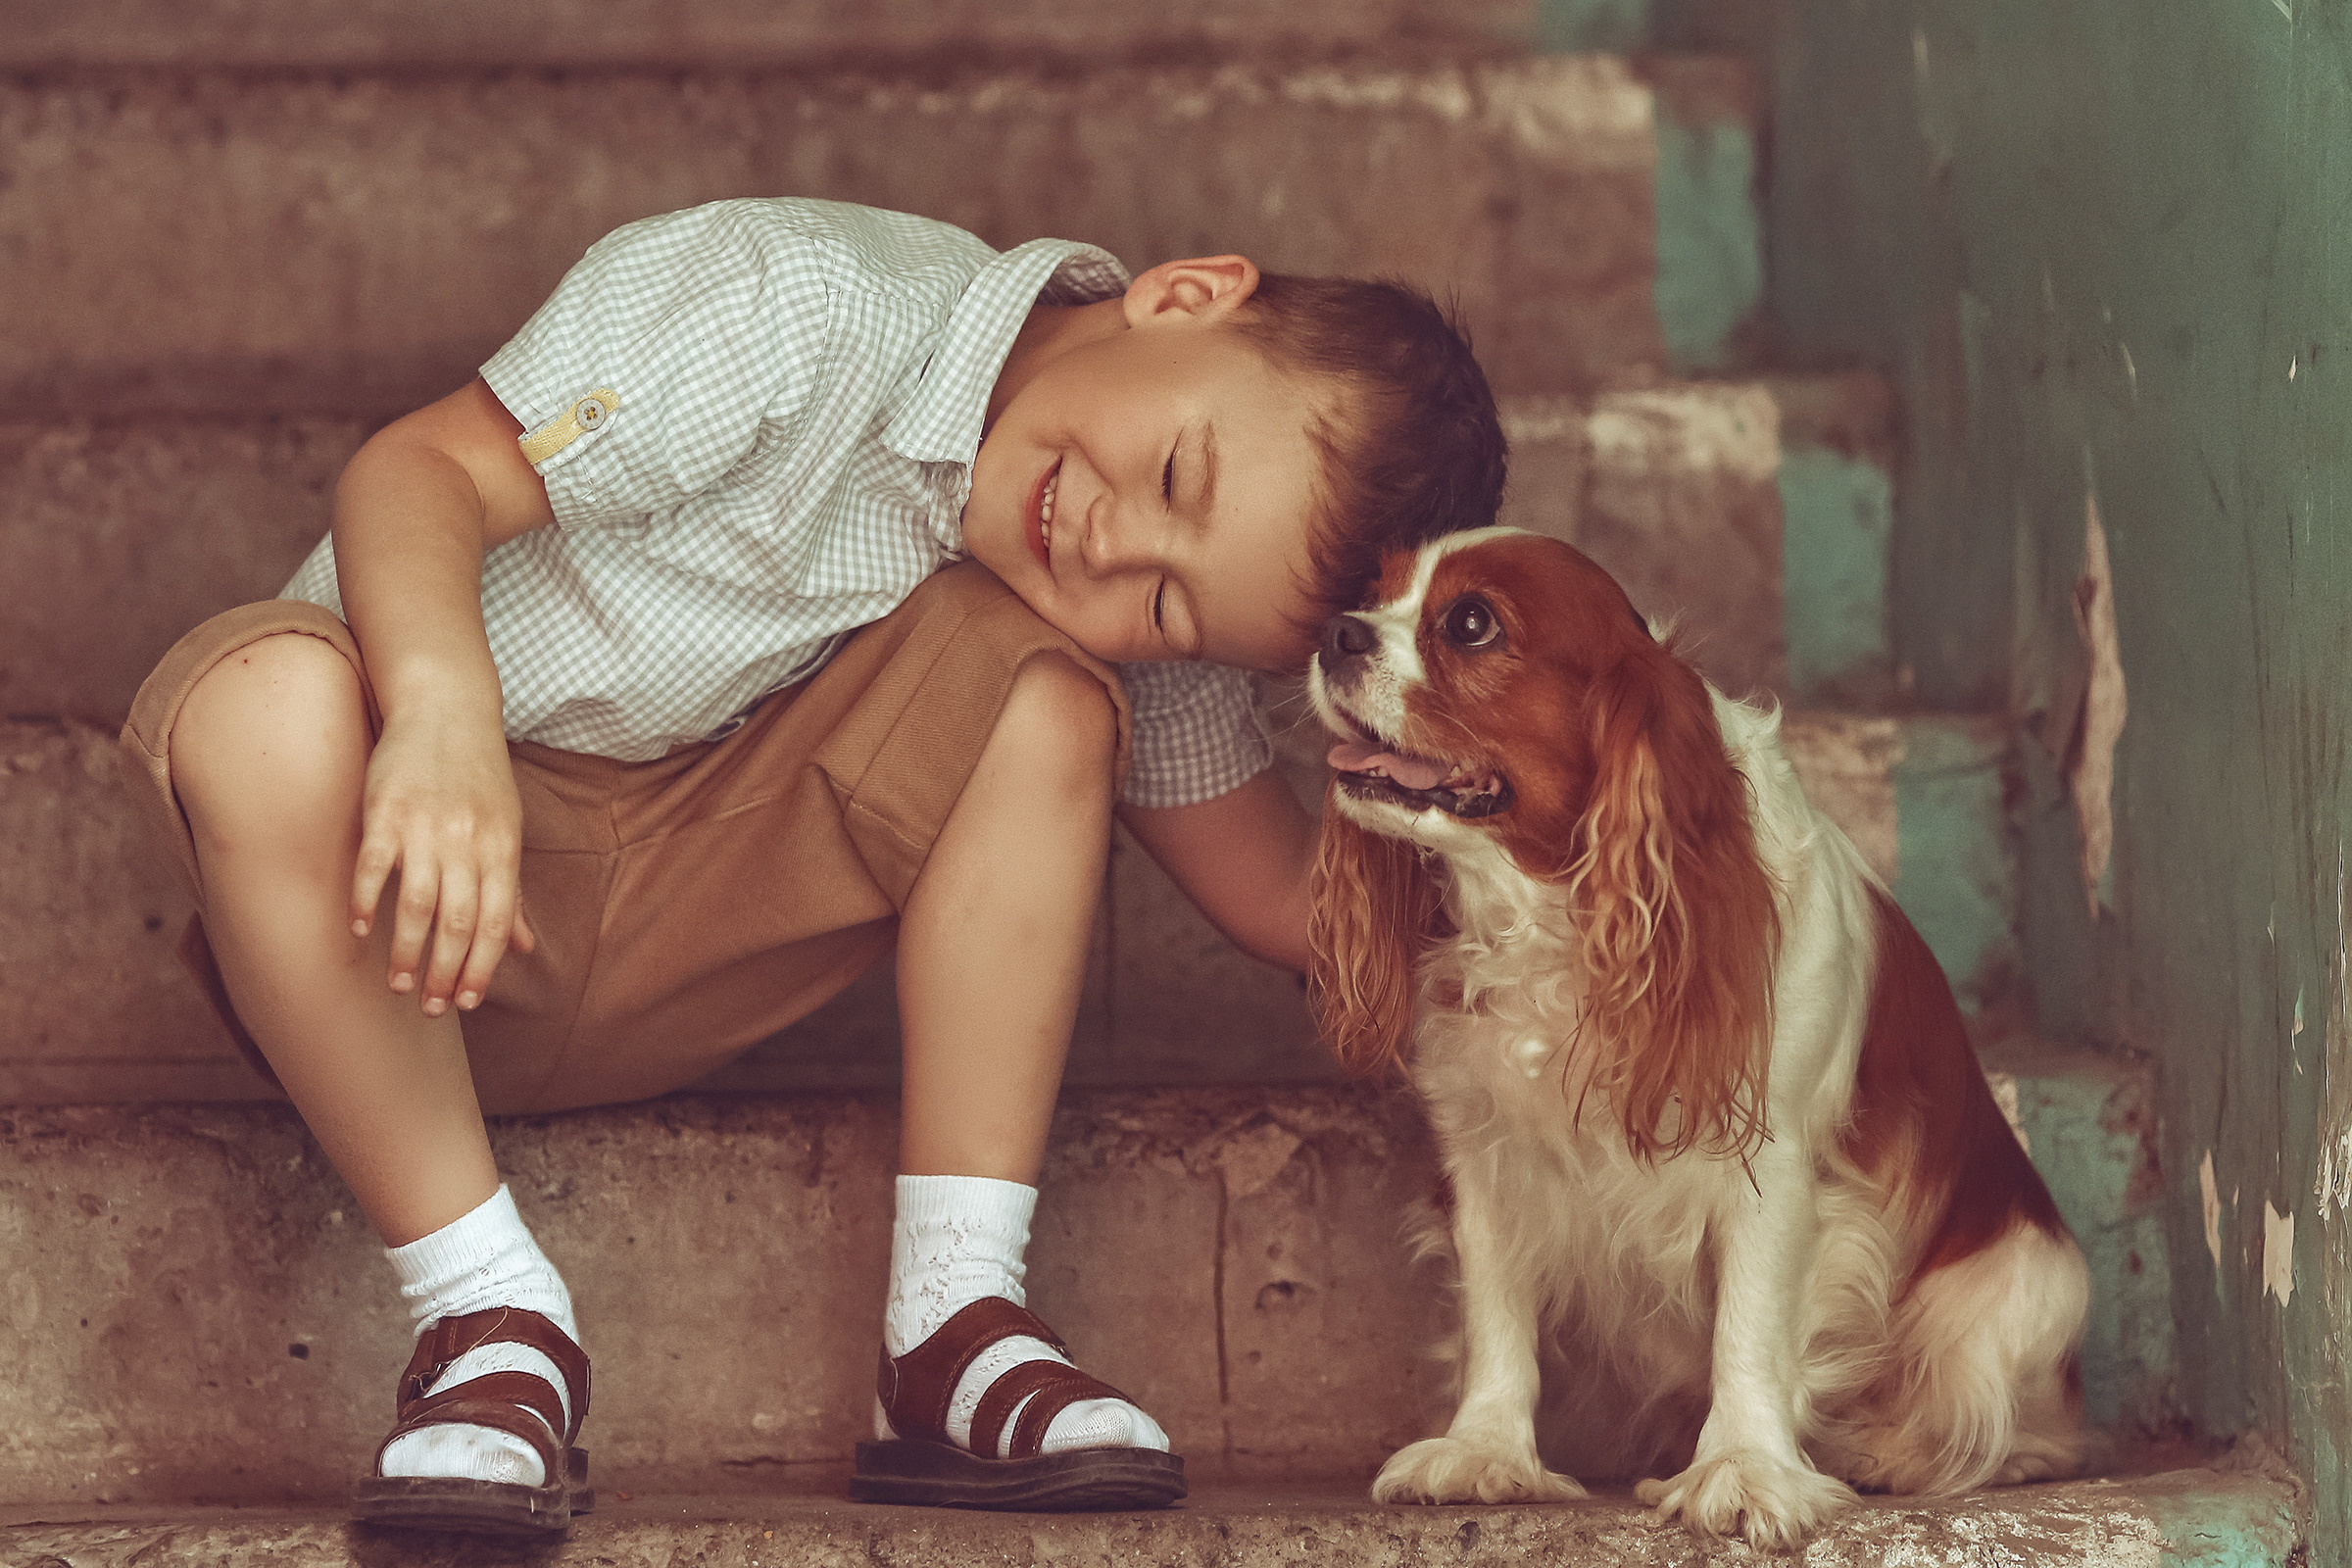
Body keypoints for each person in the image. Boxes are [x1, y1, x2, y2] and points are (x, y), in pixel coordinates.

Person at [119, 197, 1504, 1532]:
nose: (1115, 543)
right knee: (256, 703)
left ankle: (956, 1323)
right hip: (387, 910)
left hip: (693, 942)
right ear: (1185, 296)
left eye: (1169, 602)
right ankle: (486, 1312)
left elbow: (1283, 897)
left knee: (1050, 695)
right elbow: (416, 470)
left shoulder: (1111, 620)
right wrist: (440, 716)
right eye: (1174, 475)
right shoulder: (790, 300)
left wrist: (1589, 859)